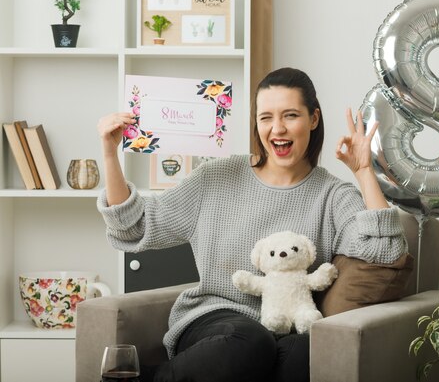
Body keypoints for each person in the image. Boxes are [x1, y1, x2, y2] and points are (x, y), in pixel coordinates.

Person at [96, 67, 407, 382]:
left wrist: (364, 171)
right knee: (251, 340)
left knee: (305, 352)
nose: (278, 129)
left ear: (313, 119)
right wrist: (110, 154)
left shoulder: (333, 195)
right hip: (214, 323)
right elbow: (135, 226)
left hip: (285, 326)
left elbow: (385, 252)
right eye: (266, 118)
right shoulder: (215, 177)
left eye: (290, 116)